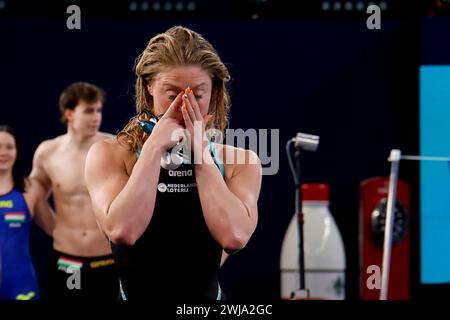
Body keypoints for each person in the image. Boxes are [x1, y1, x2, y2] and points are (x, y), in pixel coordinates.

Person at [85, 26, 262, 301]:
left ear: (214, 92)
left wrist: (202, 157)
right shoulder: (110, 154)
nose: (184, 106)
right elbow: (122, 230)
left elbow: (234, 237)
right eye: (172, 94)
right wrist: (154, 146)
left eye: (197, 95)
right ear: (149, 87)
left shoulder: (239, 161)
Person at [29, 82, 120, 300]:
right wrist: (57, 230)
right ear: (69, 113)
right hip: (68, 261)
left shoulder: (114, 148)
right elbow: (33, 197)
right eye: (88, 111)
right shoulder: (47, 152)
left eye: (98, 110)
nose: (96, 117)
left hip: (109, 258)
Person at [0, 125, 54, 300]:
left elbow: (56, 230)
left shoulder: (30, 190)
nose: (3, 152)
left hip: (20, 283)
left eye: (9, 146)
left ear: (17, 151)